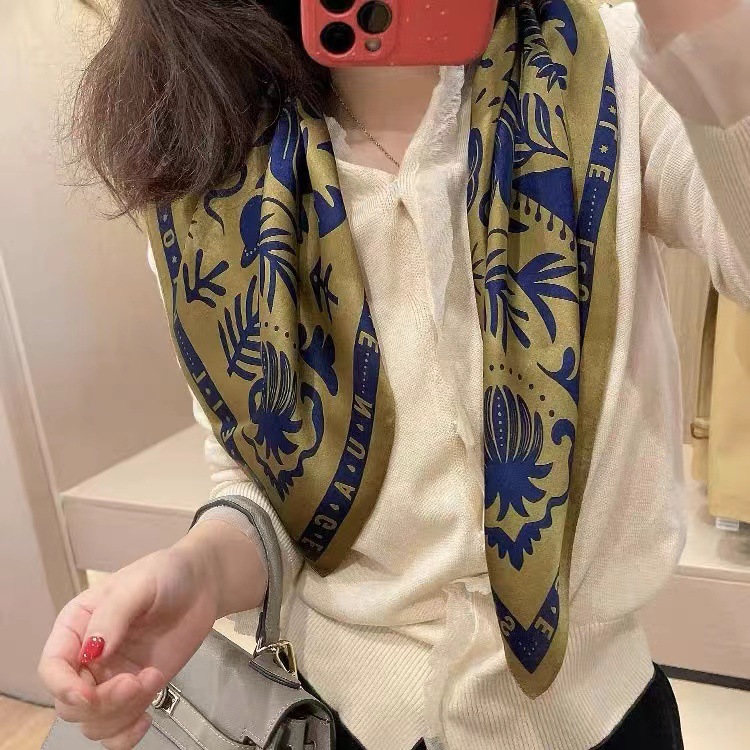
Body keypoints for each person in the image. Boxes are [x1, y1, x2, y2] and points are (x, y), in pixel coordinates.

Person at [38, 0, 750, 748]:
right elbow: (269, 481)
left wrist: (700, 26)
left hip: (599, 714)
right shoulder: (208, 162)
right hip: (342, 720)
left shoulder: (604, 69)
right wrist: (202, 572)